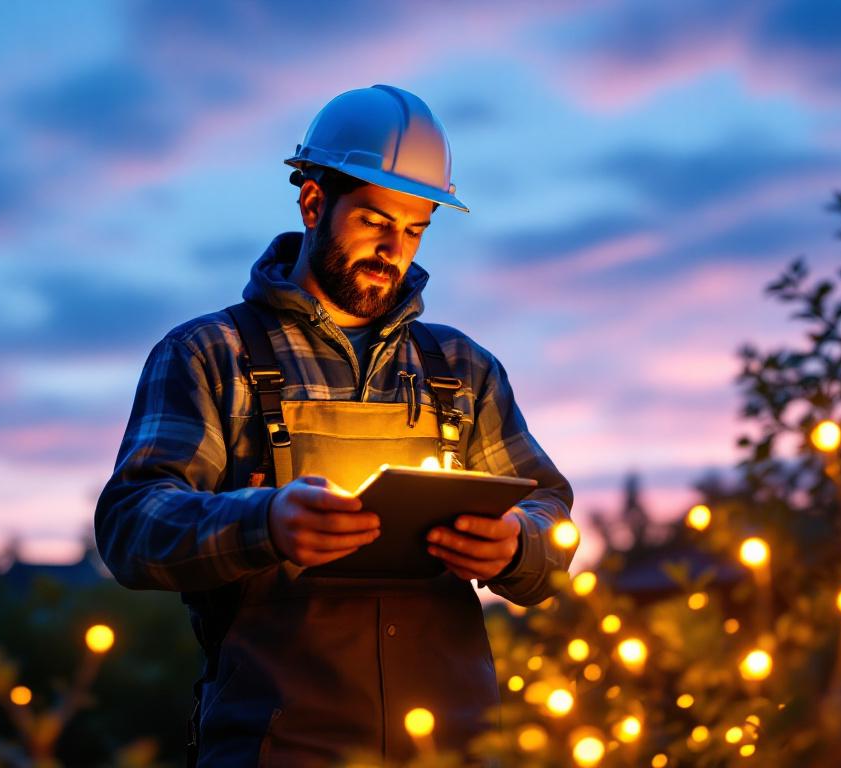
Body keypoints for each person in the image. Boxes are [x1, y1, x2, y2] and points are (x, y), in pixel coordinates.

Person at [94, 84, 575, 767]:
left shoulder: (462, 368)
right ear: (314, 201)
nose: (394, 250)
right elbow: (131, 524)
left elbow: (549, 515)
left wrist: (515, 547)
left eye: (414, 229)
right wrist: (263, 523)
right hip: (277, 746)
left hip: (457, 750)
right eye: (376, 221)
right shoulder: (210, 355)